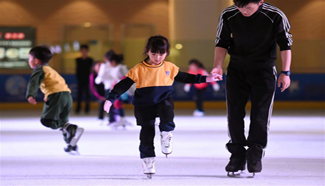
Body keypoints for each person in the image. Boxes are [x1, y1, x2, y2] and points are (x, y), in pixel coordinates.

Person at [103, 35, 221, 177]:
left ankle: (166, 133)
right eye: (154, 53)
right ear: (147, 51)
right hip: (143, 105)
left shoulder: (169, 67)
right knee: (146, 133)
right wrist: (110, 99)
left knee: (167, 109)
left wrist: (207, 78)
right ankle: (148, 160)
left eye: (161, 54)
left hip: (163, 99)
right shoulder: (138, 69)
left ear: (166, 53)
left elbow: (186, 77)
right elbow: (123, 85)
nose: (158, 57)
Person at [212, 0, 292, 175]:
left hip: (263, 71)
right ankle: (237, 155)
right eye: (239, 7)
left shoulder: (275, 15)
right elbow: (221, 42)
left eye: (248, 7)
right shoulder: (229, 14)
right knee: (234, 113)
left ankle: (255, 154)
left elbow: (285, 44)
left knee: (260, 115)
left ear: (260, 1)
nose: (243, 11)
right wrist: (217, 65)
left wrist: (285, 72)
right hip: (236, 69)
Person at [26, 46, 84, 153]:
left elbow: (34, 83)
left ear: (36, 60)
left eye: (29, 58)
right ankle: (71, 143)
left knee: (47, 120)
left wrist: (30, 95)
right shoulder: (50, 69)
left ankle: (69, 128)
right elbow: (56, 83)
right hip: (67, 96)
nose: (28, 60)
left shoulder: (39, 70)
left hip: (56, 96)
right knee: (63, 121)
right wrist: (47, 95)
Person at [95, 50, 133, 127]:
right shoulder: (108, 66)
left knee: (135, 102)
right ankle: (119, 119)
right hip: (116, 89)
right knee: (114, 103)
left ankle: (119, 119)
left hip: (126, 89)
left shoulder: (120, 67)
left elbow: (126, 78)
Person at [75, 44, 94, 114]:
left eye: (85, 51)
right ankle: (78, 108)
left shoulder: (90, 60)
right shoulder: (78, 60)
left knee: (87, 94)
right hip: (80, 79)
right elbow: (77, 70)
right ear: (80, 51)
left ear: (87, 51)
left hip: (88, 79)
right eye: (82, 51)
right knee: (79, 94)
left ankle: (87, 108)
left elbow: (91, 70)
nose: (84, 52)